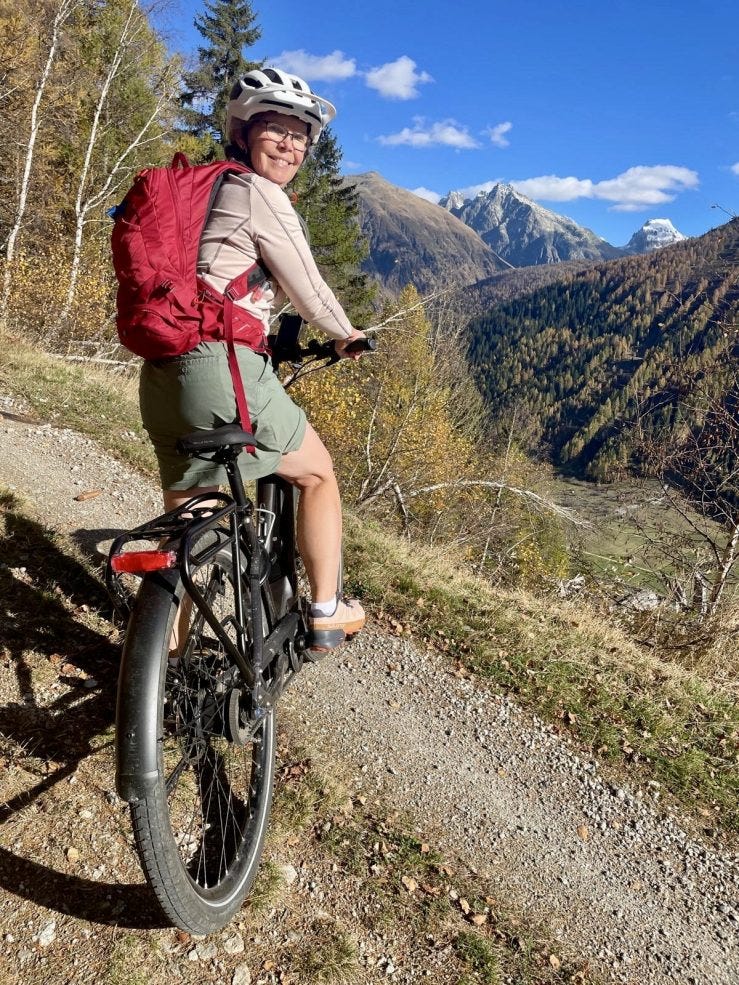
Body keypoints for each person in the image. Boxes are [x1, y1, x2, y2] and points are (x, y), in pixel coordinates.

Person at [138, 67, 366, 649]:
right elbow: (311, 290)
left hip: (165, 374)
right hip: (222, 368)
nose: (290, 145)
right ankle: (326, 609)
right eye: (276, 130)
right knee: (318, 474)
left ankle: (164, 663)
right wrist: (347, 334)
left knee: (189, 527)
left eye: (300, 136)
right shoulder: (257, 192)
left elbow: (218, 280)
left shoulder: (209, 193)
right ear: (243, 133)